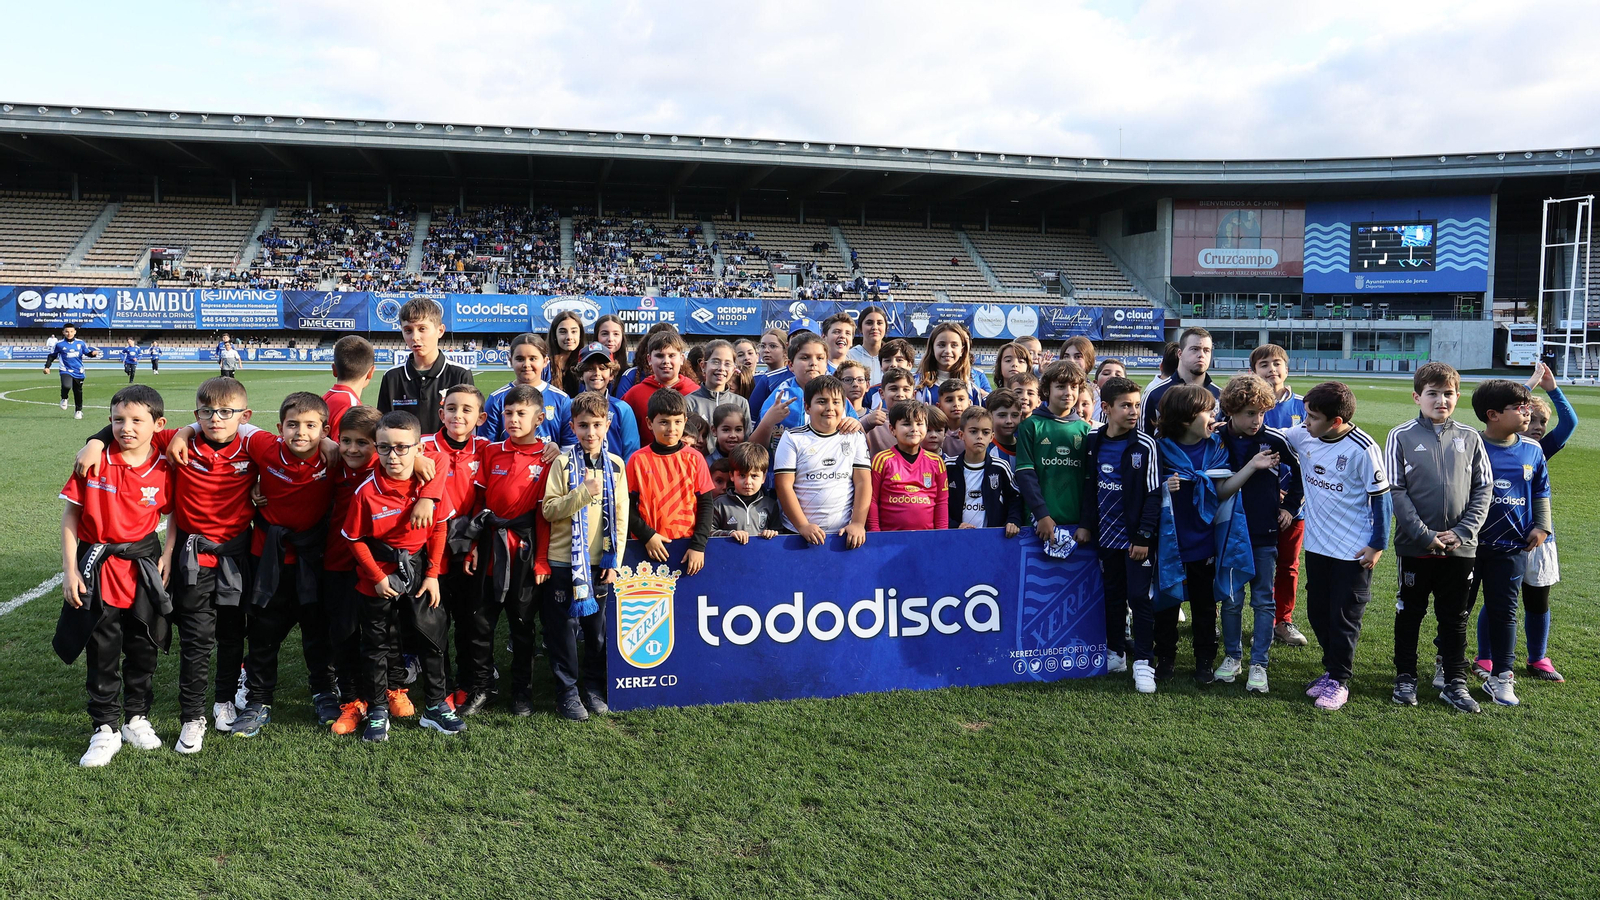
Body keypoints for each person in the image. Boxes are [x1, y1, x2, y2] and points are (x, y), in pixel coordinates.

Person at [77, 377, 278, 751]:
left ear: (244, 416)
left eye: (225, 413)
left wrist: (329, 445)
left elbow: (295, 450)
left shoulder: (253, 444)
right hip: (191, 558)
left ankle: (222, 701)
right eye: (206, 412)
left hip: (237, 555)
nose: (215, 419)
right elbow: (129, 420)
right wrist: (94, 440)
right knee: (196, 639)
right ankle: (192, 716)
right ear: (195, 414)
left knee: (233, 633)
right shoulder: (172, 439)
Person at [58, 385, 173, 767]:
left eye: (136, 420)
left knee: (143, 646)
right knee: (102, 649)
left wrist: (168, 553)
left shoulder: (164, 465)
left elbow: (177, 517)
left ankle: (136, 718)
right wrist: (70, 569)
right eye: (117, 420)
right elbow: (71, 516)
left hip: (142, 567)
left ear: (158, 425)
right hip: (98, 566)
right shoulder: (94, 460)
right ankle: (104, 727)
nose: (126, 428)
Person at [343, 411, 463, 741]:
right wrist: (377, 578)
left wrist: (434, 573)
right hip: (378, 572)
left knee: (432, 639)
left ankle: (436, 707)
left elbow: (439, 527)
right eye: (384, 448)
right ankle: (378, 709)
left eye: (401, 447)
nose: (392, 456)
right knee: (376, 643)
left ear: (417, 448)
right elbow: (354, 539)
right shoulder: (366, 492)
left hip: (421, 569)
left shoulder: (429, 483)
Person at [229, 393, 342, 737]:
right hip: (268, 559)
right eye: (292, 425)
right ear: (279, 428)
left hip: (312, 560)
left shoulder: (335, 459)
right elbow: (222, 421)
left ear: (324, 430)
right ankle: (258, 699)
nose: (300, 432)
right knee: (263, 633)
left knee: (316, 631)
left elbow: (379, 450)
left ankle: (324, 691)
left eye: (311, 426)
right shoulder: (264, 446)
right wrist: (183, 434)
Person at [1383, 362, 1492, 712]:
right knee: (1410, 612)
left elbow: (1483, 488)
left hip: (1462, 548)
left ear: (1457, 396)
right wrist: (1424, 534)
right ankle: (1405, 677)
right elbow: (1396, 490)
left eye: (1448, 393)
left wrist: (1462, 532)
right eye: (1432, 393)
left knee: (1455, 615)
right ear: (1418, 397)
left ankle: (1454, 681)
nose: (1441, 400)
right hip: (1416, 546)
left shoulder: (1471, 437)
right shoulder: (1400, 436)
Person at [1284, 382, 1392, 711]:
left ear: (1336, 422)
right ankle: (1332, 671)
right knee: (1318, 613)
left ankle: (1339, 681)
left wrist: (1377, 545)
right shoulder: (1305, 434)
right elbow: (1273, 435)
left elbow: (1381, 500)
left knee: (1344, 617)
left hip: (1353, 551)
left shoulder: (1362, 448)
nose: (1305, 423)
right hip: (1317, 546)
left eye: (1313, 418)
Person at [1153, 384, 1268, 688]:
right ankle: (1164, 657)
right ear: (1184, 417)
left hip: (1204, 542)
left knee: (1205, 607)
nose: (1213, 415)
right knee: (1166, 604)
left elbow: (1222, 490)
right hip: (1170, 544)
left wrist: (1252, 467)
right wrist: (1163, 486)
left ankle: (1205, 660)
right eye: (1207, 410)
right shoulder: (1159, 448)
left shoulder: (1216, 447)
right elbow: (1143, 489)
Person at [464, 384, 555, 717]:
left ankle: (522, 692)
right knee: (482, 623)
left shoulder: (548, 457)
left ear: (539, 418)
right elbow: (478, 502)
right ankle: (482, 687)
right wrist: (474, 545)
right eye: (508, 413)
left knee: (522, 625)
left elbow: (545, 516)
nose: (513, 419)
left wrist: (542, 560)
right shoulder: (491, 451)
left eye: (521, 413)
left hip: (525, 551)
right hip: (490, 547)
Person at [540, 391, 628, 721]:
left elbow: (621, 516)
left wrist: (614, 562)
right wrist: (582, 493)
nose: (590, 433)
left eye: (596, 425)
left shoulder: (616, 466)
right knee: (563, 630)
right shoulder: (563, 463)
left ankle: (593, 685)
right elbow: (549, 510)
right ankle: (567, 691)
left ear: (607, 425)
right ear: (572, 427)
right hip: (566, 562)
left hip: (599, 564)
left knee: (597, 630)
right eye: (583, 426)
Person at [1214, 374, 1302, 694]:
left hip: (1265, 534)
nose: (1257, 420)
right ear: (1232, 410)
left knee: (1264, 601)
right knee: (1232, 601)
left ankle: (1259, 663)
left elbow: (1300, 475)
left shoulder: (1276, 440)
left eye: (1262, 413)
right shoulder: (1218, 437)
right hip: (1229, 535)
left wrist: (1289, 507)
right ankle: (1233, 657)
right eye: (1250, 413)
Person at [1467, 379, 1551, 708]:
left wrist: (1542, 525)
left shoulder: (1532, 450)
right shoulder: (1470, 445)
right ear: (1493, 415)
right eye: (1520, 408)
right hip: (1469, 547)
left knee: (1505, 613)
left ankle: (1502, 677)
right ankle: (1449, 666)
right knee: (1458, 610)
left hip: (1512, 548)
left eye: (1528, 406)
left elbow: (1541, 490)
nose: (1528, 412)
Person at [1075, 377, 1160, 691]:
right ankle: (1116, 652)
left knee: (1138, 597)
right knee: (1112, 597)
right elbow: (1089, 485)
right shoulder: (1094, 439)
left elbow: (1153, 495)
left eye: (1136, 405)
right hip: (1105, 538)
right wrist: (1086, 523)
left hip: (1135, 541)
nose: (1133, 411)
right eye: (1125, 405)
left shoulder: (1145, 444)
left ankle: (1143, 662)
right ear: (1106, 408)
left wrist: (1143, 536)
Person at [1496, 363, 1576, 681]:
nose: (1539, 426)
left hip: (1540, 539)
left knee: (1538, 600)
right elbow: (1506, 409)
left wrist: (1552, 389)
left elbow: (1569, 423)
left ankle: (1538, 658)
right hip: (1504, 536)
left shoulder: (1539, 451)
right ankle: (1487, 657)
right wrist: (1529, 386)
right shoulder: (1498, 446)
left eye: (1543, 421)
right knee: (1501, 600)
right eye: (1532, 419)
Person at [421, 385, 491, 716]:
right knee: (435, 623)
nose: (458, 415)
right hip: (432, 552)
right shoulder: (422, 448)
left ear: (481, 417)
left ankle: (473, 684)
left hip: (470, 551)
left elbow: (488, 498)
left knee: (472, 621)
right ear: (441, 413)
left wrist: (475, 543)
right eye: (451, 408)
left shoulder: (488, 450)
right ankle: (442, 687)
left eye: (466, 409)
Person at [1250, 343, 1310, 647]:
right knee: (1244, 563)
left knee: (1287, 565)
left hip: (1294, 506)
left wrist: (1290, 499)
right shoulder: (1244, 406)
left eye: (1277, 364)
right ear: (1253, 372)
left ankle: (1282, 621)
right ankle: (1240, 617)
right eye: (1264, 365)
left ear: (1287, 369)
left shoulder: (1304, 406)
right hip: (1253, 503)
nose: (1272, 370)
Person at [775, 375, 871, 548]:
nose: (830, 408)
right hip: (798, 534)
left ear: (844, 406)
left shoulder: (855, 437)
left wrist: (857, 523)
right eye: (822, 401)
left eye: (836, 402)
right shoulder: (792, 438)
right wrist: (802, 525)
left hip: (843, 534)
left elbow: (863, 482)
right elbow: (784, 485)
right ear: (807, 407)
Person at [627, 389, 716, 575]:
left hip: (687, 547)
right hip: (647, 547)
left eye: (677, 422)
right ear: (650, 423)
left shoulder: (696, 458)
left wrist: (699, 545)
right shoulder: (637, 460)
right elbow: (625, 506)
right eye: (664, 422)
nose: (671, 428)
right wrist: (647, 535)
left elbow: (706, 505)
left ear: (685, 421)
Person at [1016, 361, 1091, 546]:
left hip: (1076, 526)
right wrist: (1041, 514)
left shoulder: (1086, 430)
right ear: (1047, 390)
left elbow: (1090, 481)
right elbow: (1025, 474)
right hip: (1039, 523)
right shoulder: (1030, 425)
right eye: (1060, 387)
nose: (1068, 392)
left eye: (1074, 387)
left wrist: (1086, 523)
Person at [377, 298, 475, 436]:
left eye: (422, 329)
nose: (415, 337)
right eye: (408, 330)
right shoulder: (392, 377)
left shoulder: (460, 374)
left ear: (440, 330)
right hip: (405, 456)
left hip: (446, 456)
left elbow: (466, 428)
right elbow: (384, 428)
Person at [867, 400, 947, 532]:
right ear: (892, 429)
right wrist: (875, 533)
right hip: (888, 539)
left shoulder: (937, 462)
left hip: (927, 539)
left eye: (920, 424)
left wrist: (941, 535)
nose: (914, 429)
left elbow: (941, 503)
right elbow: (872, 501)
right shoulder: (881, 460)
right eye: (906, 424)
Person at [482, 334, 573, 446]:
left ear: (545, 361)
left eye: (533, 358)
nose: (526, 364)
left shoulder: (561, 399)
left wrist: (558, 454)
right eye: (520, 359)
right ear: (510, 360)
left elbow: (569, 445)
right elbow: (487, 445)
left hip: (549, 463)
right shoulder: (496, 399)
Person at [947, 406, 1023, 534]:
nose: (980, 437)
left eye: (985, 432)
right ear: (961, 435)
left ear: (992, 436)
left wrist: (1013, 520)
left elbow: (1015, 497)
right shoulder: (948, 467)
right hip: (955, 538)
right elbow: (938, 504)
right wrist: (954, 525)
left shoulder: (1000, 467)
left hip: (991, 540)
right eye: (973, 431)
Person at [622, 329, 701, 448]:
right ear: (649, 359)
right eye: (659, 355)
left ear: (681, 359)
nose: (666, 361)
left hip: (686, 463)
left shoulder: (695, 392)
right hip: (647, 463)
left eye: (672, 355)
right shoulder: (634, 395)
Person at [1142, 327, 1218, 435]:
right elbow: (1144, 439)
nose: (1201, 355)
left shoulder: (1220, 395)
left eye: (1206, 350)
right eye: (1195, 349)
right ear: (1180, 354)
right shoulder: (1155, 394)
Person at [573, 343, 641, 462]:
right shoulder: (568, 406)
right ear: (581, 374)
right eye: (590, 368)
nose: (597, 373)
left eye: (603, 368)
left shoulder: (622, 409)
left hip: (614, 477)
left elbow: (631, 452)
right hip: (576, 475)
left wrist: (622, 479)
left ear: (611, 374)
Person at [711, 443, 781, 542]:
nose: (748, 482)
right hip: (729, 556)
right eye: (742, 475)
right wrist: (729, 534)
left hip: (761, 556)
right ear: (732, 475)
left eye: (754, 476)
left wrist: (772, 534)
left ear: (763, 477)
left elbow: (780, 534)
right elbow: (708, 532)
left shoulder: (770, 505)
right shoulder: (719, 504)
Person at [915, 322, 989, 404]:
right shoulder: (915, 384)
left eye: (954, 345)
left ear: (962, 350)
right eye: (942, 345)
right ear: (932, 349)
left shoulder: (972, 390)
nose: (947, 351)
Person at [687, 339, 751, 428]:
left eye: (727, 364)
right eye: (716, 362)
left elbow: (746, 438)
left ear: (733, 369)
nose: (721, 368)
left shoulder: (741, 403)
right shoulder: (689, 402)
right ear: (703, 366)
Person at [323, 335, 376, 442]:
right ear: (371, 372)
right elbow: (345, 452)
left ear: (334, 370)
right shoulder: (350, 406)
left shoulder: (326, 398)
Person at [45, 323, 97, 420]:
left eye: (71, 331)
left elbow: (87, 353)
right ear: (63, 332)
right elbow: (52, 356)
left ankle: (78, 410)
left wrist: (93, 354)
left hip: (79, 371)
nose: (69, 333)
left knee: (78, 391)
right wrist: (47, 366)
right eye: (67, 331)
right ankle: (64, 398)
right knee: (66, 385)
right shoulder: (59, 344)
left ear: (75, 332)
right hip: (65, 369)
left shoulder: (80, 343)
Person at [866, 367, 917, 457]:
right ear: (882, 393)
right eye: (893, 389)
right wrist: (867, 423)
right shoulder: (872, 420)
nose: (900, 394)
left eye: (906, 390)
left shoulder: (920, 421)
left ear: (913, 395)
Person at [746, 327, 791, 414]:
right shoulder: (754, 379)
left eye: (773, 346)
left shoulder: (793, 377)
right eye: (763, 346)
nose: (766, 350)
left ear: (785, 351)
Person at [546, 310, 587, 397]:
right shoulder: (545, 365)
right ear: (555, 335)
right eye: (563, 332)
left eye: (574, 331)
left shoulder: (585, 364)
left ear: (580, 335)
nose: (569, 337)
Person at [847, 305, 889, 385]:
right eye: (869, 323)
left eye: (879, 323)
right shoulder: (850, 356)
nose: (875, 327)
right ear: (860, 328)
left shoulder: (893, 358)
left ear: (886, 327)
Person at [984, 388, 1025, 464]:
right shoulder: (985, 450)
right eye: (1002, 415)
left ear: (1020, 415)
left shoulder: (1025, 446)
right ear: (989, 415)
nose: (1009, 421)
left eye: (1014, 415)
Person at [592, 315, 629, 396]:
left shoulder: (630, 374)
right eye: (604, 334)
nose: (610, 339)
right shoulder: (586, 373)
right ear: (597, 336)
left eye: (616, 334)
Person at [935, 379, 972, 459]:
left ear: (969, 403)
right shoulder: (935, 433)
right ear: (939, 406)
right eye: (949, 400)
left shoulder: (974, 432)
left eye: (961, 399)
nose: (956, 404)